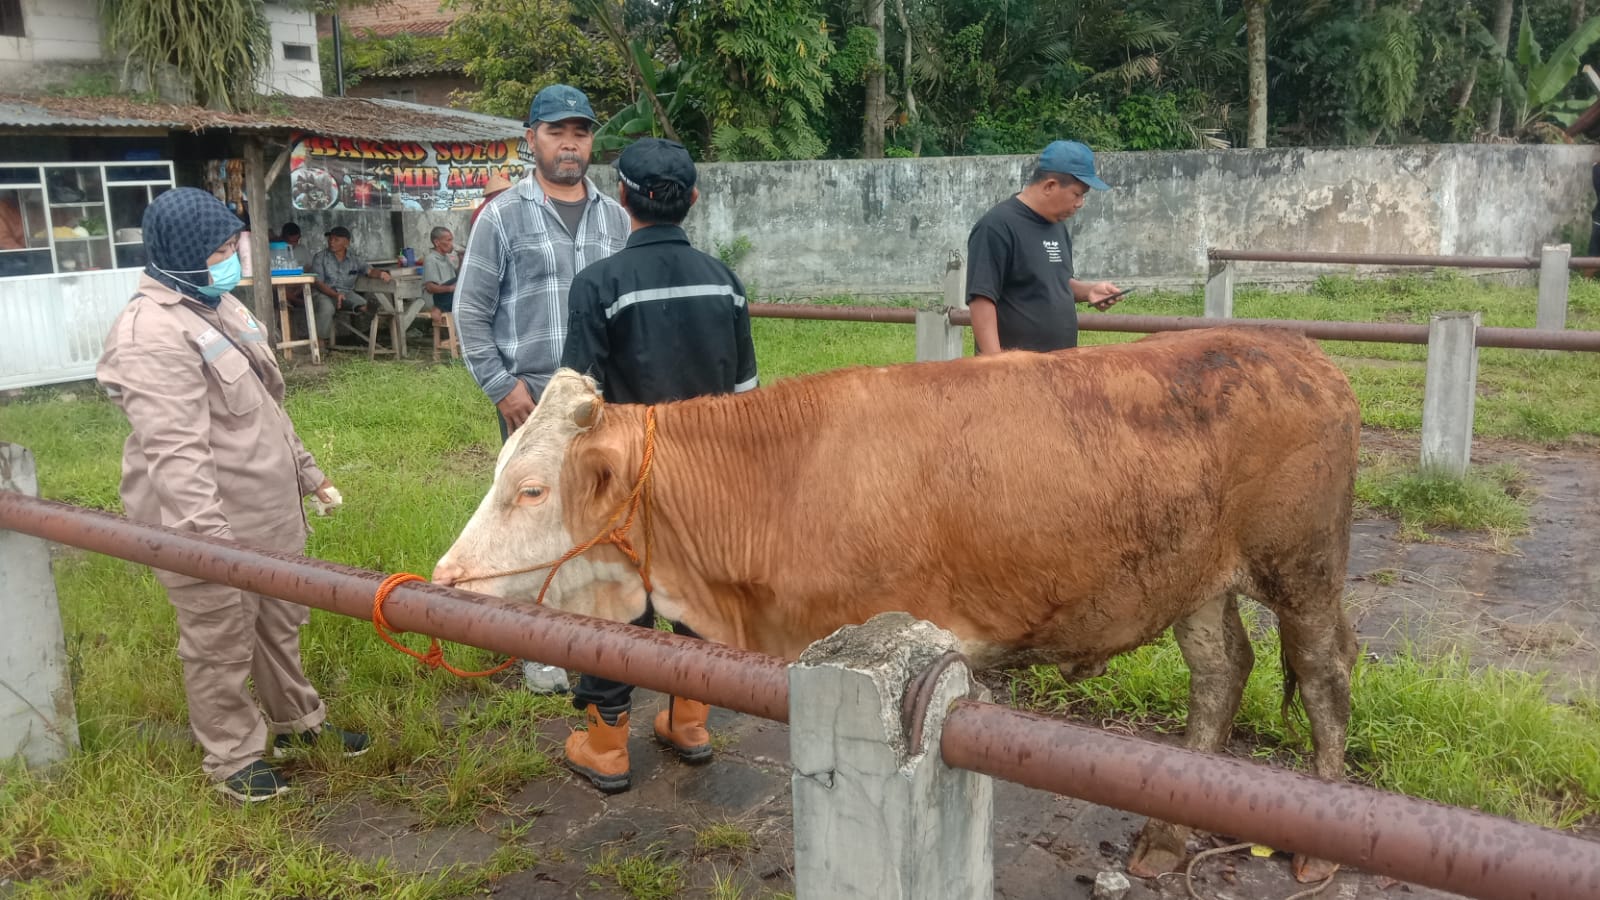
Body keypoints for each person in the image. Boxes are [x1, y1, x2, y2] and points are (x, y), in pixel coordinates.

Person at [95, 188, 368, 803]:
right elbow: (175, 452)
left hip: (268, 513)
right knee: (220, 638)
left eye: (232, 247)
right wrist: (209, 547)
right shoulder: (151, 334)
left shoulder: (219, 307)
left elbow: (266, 409)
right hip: (212, 527)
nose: (232, 260)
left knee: (279, 624)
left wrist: (309, 472)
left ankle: (297, 724)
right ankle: (232, 756)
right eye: (219, 250)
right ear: (185, 254)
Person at [555, 138, 758, 793]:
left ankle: (607, 746)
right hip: (709, 478)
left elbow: (579, 401)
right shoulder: (724, 281)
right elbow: (746, 395)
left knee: (614, 601)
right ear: (692, 200)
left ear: (622, 198)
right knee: (695, 598)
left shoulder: (599, 285)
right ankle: (689, 723)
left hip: (628, 479)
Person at [452, 83, 630, 694]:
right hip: (530, 401)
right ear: (531, 139)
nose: (570, 144)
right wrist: (502, 388)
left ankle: (597, 632)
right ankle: (540, 647)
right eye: (556, 132)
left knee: (596, 519)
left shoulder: (614, 217)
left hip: (600, 403)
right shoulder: (502, 216)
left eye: (580, 133)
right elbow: (470, 312)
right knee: (530, 521)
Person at [966, 140, 1125, 355]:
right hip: (1016, 374)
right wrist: (996, 366)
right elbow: (982, 299)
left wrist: (1089, 291)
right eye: (1077, 194)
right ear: (1050, 185)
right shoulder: (997, 226)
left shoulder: (1057, 226)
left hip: (1057, 368)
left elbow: (1054, 283)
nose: (1080, 204)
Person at [309, 225, 391, 354]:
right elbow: (318, 282)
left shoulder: (354, 259)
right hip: (324, 293)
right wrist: (335, 294)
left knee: (362, 302)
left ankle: (365, 309)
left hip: (346, 293)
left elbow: (369, 270)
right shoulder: (320, 257)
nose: (331, 242)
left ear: (346, 242)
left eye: (336, 240)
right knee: (327, 308)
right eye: (330, 239)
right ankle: (320, 344)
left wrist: (381, 274)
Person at [420, 226, 459, 322]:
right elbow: (430, 288)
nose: (451, 244)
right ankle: (438, 308)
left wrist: (461, 258)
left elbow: (457, 277)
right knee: (458, 285)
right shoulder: (430, 259)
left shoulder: (447, 258)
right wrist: (450, 288)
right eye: (448, 240)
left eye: (451, 240)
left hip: (447, 296)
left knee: (464, 281)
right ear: (437, 242)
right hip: (435, 299)